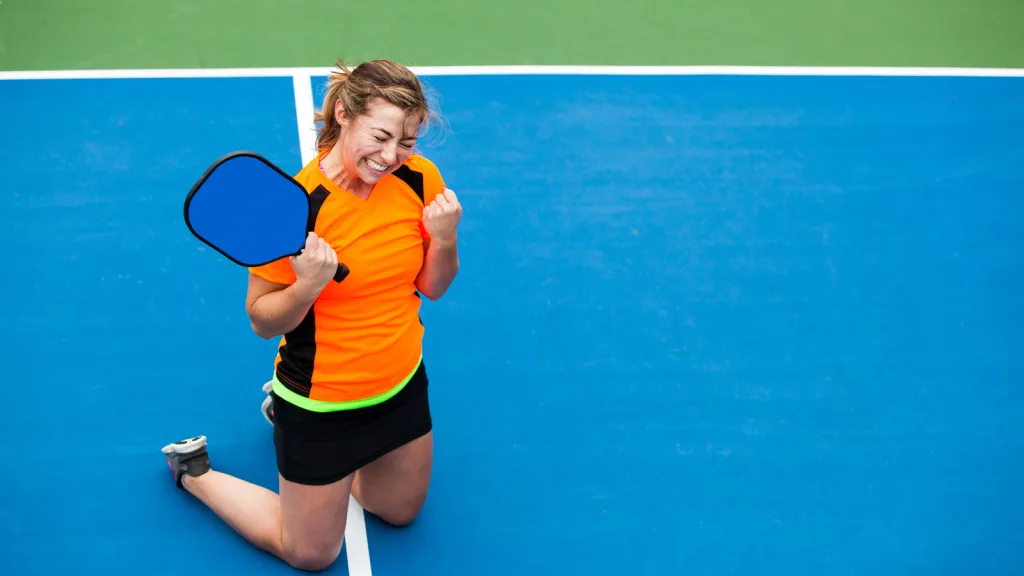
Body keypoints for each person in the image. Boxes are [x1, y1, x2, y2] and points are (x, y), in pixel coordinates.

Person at [161, 59, 461, 572]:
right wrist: (308, 286)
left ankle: (302, 443)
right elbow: (262, 320)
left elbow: (432, 287)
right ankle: (193, 471)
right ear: (343, 113)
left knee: (399, 512)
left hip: (400, 385)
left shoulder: (419, 180)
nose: (392, 156)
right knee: (311, 554)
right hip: (322, 402)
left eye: (407, 142)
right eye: (381, 136)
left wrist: (447, 235)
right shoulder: (295, 209)